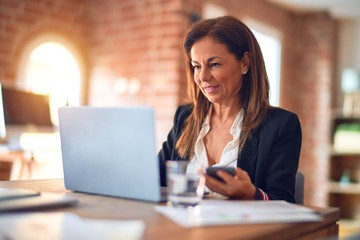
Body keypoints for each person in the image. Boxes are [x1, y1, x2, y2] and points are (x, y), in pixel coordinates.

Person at [158, 16, 302, 202]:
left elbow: (284, 201)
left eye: (214, 64)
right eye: (196, 66)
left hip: (243, 229)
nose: (203, 77)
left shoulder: (281, 125)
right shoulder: (185, 117)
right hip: (186, 226)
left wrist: (251, 194)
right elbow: (155, 179)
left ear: (245, 63)